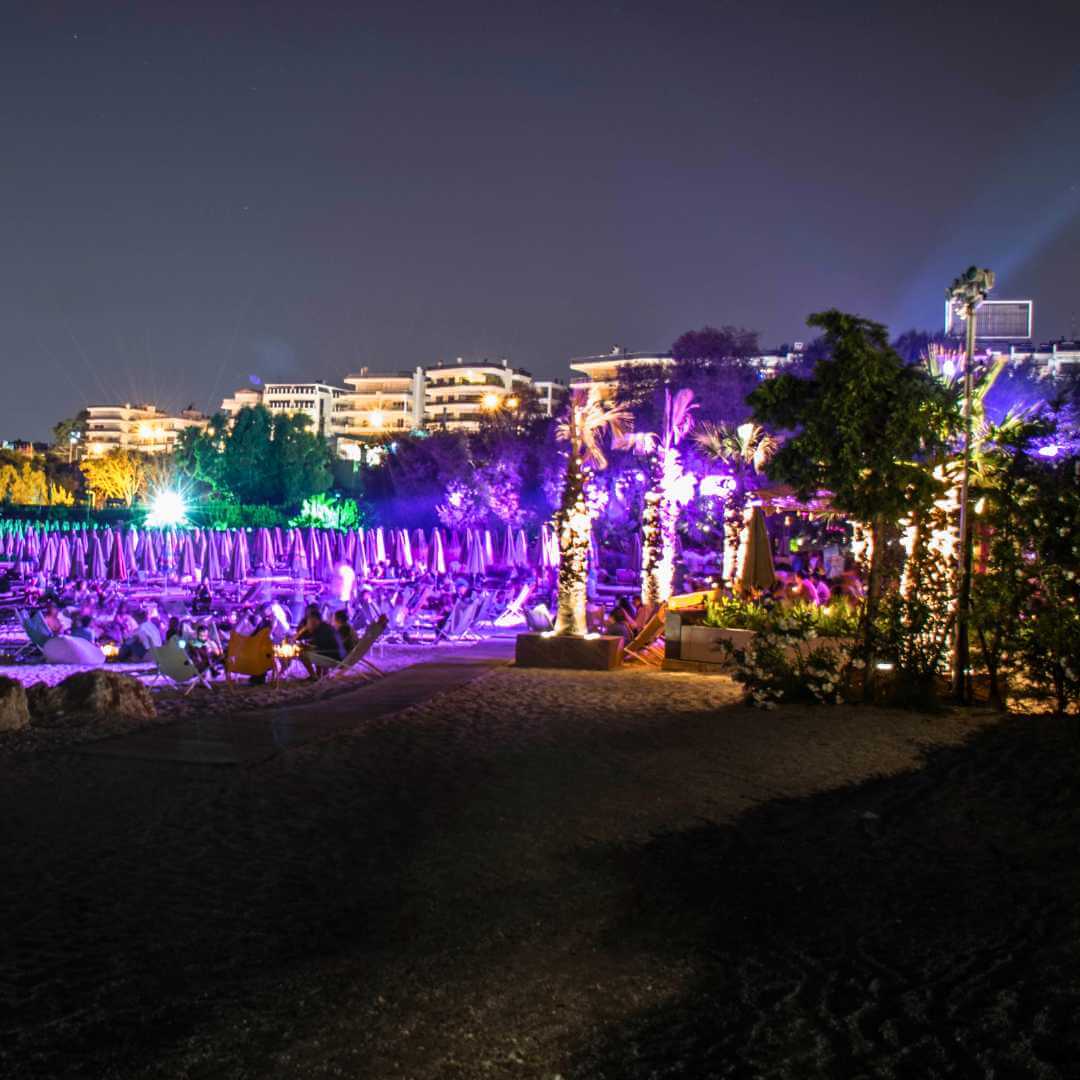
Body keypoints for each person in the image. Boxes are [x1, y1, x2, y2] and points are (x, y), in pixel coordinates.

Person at [296, 604, 343, 680]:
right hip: (333, 654)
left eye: (310, 620)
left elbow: (319, 645)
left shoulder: (324, 629)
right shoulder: (323, 627)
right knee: (314, 651)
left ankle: (315, 676)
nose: (308, 622)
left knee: (303, 654)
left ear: (315, 620)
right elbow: (301, 638)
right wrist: (303, 631)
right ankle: (321, 674)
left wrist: (307, 644)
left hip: (334, 658)